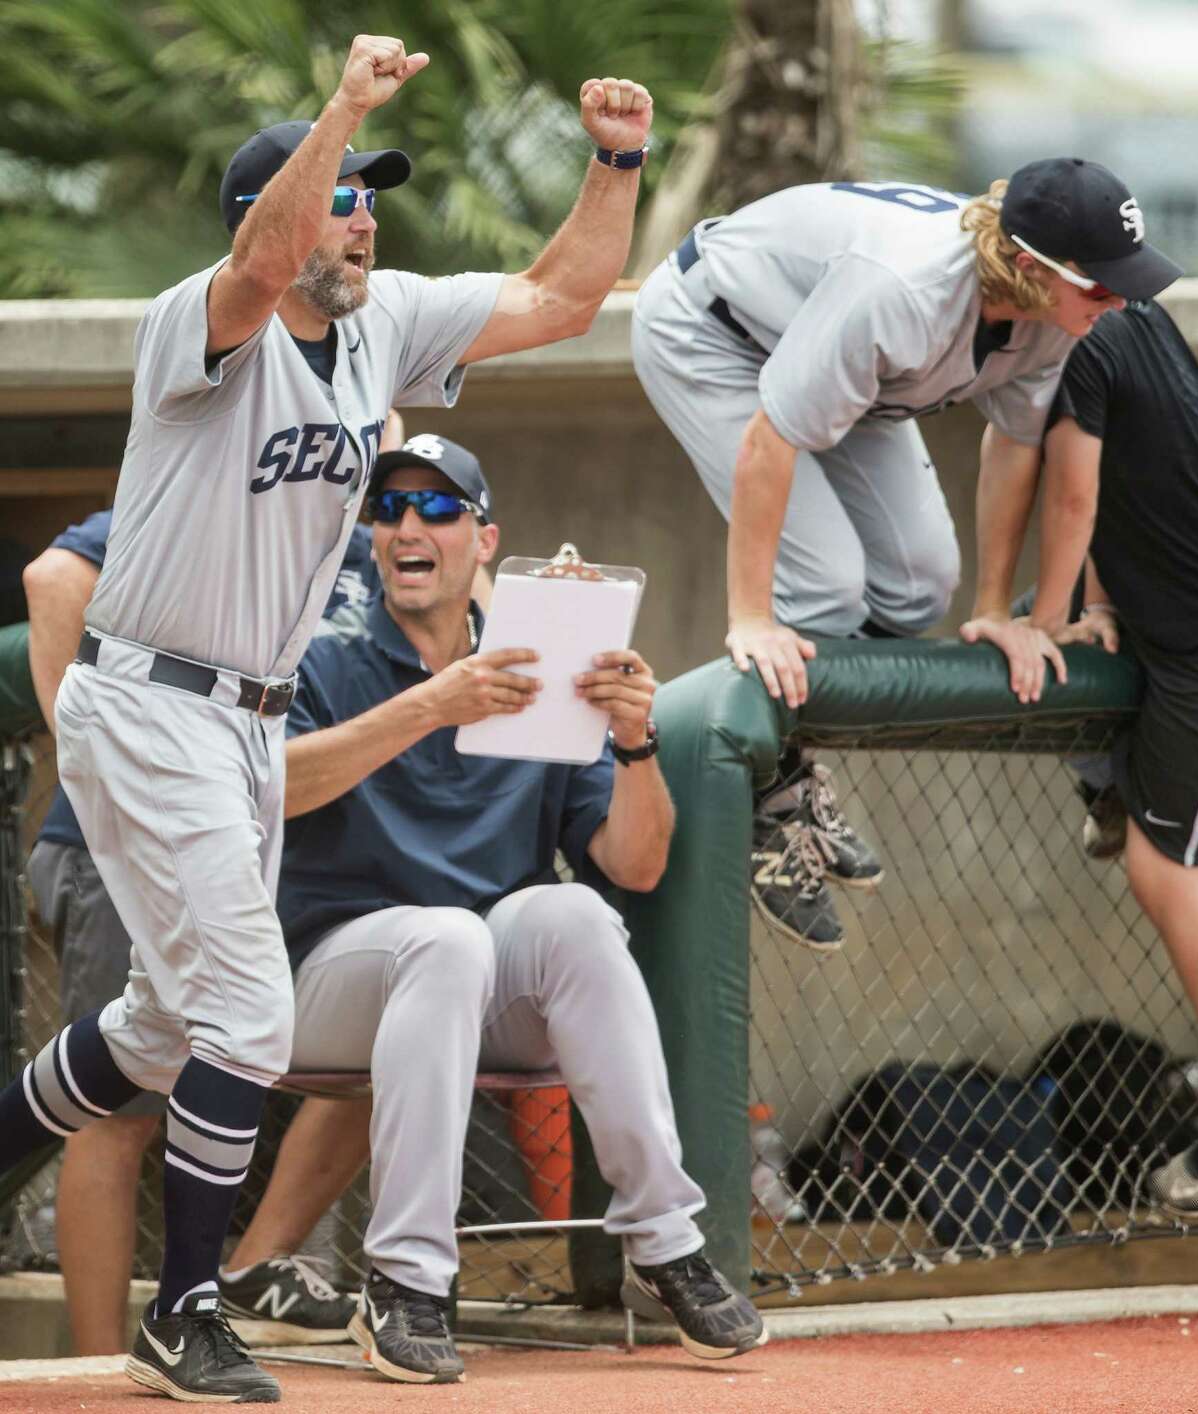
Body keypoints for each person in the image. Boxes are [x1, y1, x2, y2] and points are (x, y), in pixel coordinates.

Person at [0, 34, 653, 1404]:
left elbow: (560, 294)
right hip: (160, 695)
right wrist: (342, 109)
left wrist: (615, 161)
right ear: (276, 211)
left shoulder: (388, 321)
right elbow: (254, 273)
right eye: (342, 193)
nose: (363, 214)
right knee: (247, 1002)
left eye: (372, 194)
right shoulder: (202, 315)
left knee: (165, 1027)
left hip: (243, 720)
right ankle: (189, 1310)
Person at [274, 433, 765, 1383]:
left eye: (439, 509)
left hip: (473, 986)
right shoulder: (322, 654)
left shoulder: (539, 669)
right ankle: (406, 1281)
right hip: (321, 980)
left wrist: (632, 739)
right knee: (447, 936)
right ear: (373, 537)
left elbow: (637, 863)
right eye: (390, 510)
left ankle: (664, 1242)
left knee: (576, 914)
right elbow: (275, 790)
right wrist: (431, 705)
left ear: (485, 540)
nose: (409, 525)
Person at [632, 158, 1180, 950]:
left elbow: (1016, 443)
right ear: (1027, 267)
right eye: (1101, 284)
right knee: (821, 590)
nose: (1121, 300)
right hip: (715, 333)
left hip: (846, 367)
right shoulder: (905, 292)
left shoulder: (1045, 316)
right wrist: (752, 616)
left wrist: (999, 610)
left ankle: (789, 764)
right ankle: (773, 798)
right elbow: (771, 438)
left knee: (923, 588)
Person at [22, 506, 377, 1354]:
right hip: (140, 809)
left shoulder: (359, 540)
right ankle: (114, 1354)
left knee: (152, 1038)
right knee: (131, 1104)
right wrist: (92, 757)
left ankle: (171, 1329)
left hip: (230, 810)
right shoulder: (236, 476)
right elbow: (52, 580)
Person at [1007, 296, 1198, 1215]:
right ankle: (1108, 790)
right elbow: (1119, 498)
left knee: (1162, 873)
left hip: (1192, 655)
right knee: (1054, 642)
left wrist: (1050, 620)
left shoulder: (1087, 342)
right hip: (1167, 643)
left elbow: (1075, 493)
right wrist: (1089, 604)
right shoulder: (1148, 335)